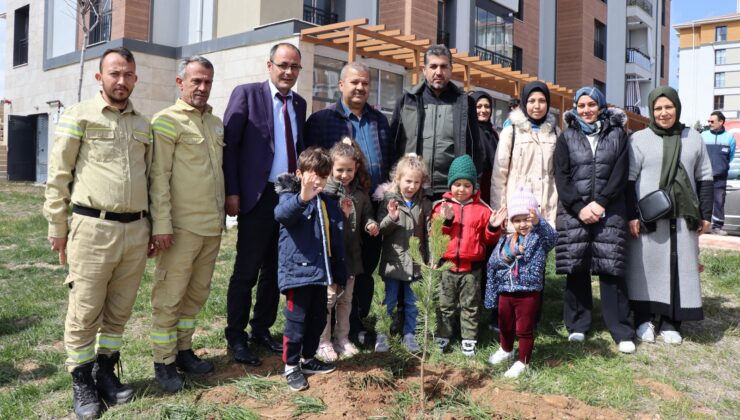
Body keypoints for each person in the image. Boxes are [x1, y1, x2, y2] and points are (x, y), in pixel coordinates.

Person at [43, 47, 151, 419]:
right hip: (92, 228)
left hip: (136, 230)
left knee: (119, 312)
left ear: (135, 78)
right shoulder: (79, 116)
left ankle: (106, 373)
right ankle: (82, 382)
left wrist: (154, 226)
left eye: (128, 75)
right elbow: (58, 176)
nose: (121, 81)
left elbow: (151, 179)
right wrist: (57, 227)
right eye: (114, 74)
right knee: (85, 310)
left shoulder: (143, 124)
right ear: (99, 77)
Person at [223, 43, 307, 364]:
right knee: (247, 269)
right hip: (256, 197)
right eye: (283, 65)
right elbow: (230, 148)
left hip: (288, 196)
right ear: (268, 65)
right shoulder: (246, 95)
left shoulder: (299, 103)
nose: (288, 72)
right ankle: (236, 335)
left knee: (275, 269)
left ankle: (261, 328)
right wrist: (232, 191)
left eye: (294, 67)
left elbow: (297, 145)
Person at [303, 61, 395, 343]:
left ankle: (355, 325)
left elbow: (388, 160)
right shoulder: (321, 120)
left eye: (365, 83)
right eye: (354, 82)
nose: (360, 87)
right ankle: (323, 328)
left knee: (364, 269)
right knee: (333, 271)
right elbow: (310, 163)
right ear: (340, 85)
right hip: (333, 214)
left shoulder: (379, 120)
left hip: (369, 209)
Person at [148, 56, 224, 393]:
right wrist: (161, 225)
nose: (202, 88)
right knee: (169, 297)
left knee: (195, 296)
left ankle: (183, 350)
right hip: (179, 229)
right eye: (196, 81)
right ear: (180, 83)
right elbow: (158, 178)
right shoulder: (166, 121)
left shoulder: (215, 122)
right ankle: (163, 363)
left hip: (211, 227)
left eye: (207, 81)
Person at [626, 86, 713, 345]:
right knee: (645, 267)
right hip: (649, 218)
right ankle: (644, 320)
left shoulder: (693, 137)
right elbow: (629, 180)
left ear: (677, 107)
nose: (664, 113)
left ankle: (672, 322)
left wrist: (706, 214)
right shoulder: (638, 139)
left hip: (684, 217)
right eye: (658, 108)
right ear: (651, 111)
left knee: (681, 267)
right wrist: (632, 215)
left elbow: (705, 177)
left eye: (668, 107)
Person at [553, 87, 635, 354]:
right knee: (577, 267)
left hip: (609, 210)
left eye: (591, 104)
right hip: (574, 212)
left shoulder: (617, 135)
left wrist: (600, 203)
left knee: (611, 269)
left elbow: (620, 173)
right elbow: (561, 176)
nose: (586, 110)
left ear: (601, 106)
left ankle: (621, 329)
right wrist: (579, 207)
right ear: (575, 108)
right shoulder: (566, 137)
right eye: (581, 105)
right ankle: (578, 325)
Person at [273, 147, 347, 392]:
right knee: (296, 321)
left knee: (318, 319)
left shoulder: (326, 202)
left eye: (323, 176)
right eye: (312, 174)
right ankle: (291, 365)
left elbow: (333, 237)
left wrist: (338, 271)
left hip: (320, 273)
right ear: (299, 173)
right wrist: (302, 198)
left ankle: (307, 359)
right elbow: (282, 215)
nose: (317, 180)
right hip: (298, 274)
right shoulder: (290, 197)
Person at [431, 155, 505, 356]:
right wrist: (446, 222)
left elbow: (489, 240)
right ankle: (443, 335)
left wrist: (492, 226)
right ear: (450, 185)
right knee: (445, 305)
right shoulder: (441, 207)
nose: (461, 189)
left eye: (466, 185)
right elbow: (435, 236)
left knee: (470, 305)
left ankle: (469, 338)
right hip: (447, 267)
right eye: (457, 184)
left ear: (473, 187)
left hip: (471, 269)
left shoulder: (482, 210)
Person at [390, 44, 483, 199]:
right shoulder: (407, 100)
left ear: (451, 69)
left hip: (451, 190)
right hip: (413, 188)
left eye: (443, 67)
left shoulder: (465, 103)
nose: (438, 72)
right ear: (424, 69)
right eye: (433, 66)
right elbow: (393, 145)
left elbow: (475, 149)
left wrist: (474, 183)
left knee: (443, 224)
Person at [317, 138, 379, 362]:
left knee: (346, 300)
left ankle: (342, 338)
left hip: (352, 257)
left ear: (356, 168)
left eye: (349, 170)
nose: (344, 174)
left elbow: (368, 215)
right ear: (331, 168)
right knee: (328, 299)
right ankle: (322, 341)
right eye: (339, 170)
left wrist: (370, 224)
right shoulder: (325, 193)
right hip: (331, 258)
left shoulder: (360, 194)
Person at [485, 188, 557, 378]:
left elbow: (553, 238)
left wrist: (539, 222)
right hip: (506, 290)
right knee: (505, 324)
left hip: (528, 292)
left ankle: (522, 361)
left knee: (524, 329)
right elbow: (493, 262)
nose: (522, 224)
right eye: (517, 220)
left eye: (527, 219)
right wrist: (509, 255)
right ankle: (506, 349)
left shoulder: (539, 239)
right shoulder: (506, 240)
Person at [374, 154, 432, 353]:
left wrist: (429, 259)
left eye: (416, 182)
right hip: (394, 262)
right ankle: (383, 334)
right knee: (389, 301)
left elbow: (427, 233)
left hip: (416, 262)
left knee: (412, 302)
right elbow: (381, 229)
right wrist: (391, 218)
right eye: (408, 181)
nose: (412, 186)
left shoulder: (423, 203)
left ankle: (410, 334)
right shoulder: (390, 201)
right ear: (397, 179)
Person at [491, 81, 559, 228]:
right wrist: (500, 210)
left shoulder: (556, 133)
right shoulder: (511, 131)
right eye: (532, 101)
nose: (537, 106)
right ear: (524, 103)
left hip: (547, 209)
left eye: (542, 101)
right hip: (517, 212)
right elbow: (499, 174)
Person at [700, 111, 736, 236]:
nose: (709, 123)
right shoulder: (703, 135)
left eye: (712, 121)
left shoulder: (729, 138)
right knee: (702, 201)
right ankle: (700, 226)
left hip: (720, 177)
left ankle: (717, 227)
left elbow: (730, 157)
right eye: (708, 121)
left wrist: (721, 167)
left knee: (719, 202)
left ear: (721, 122)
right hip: (704, 175)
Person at [469, 91, 499, 205]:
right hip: (474, 189)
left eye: (487, 106)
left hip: (492, 189)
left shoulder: (493, 133)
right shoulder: (469, 131)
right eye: (478, 106)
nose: (483, 110)